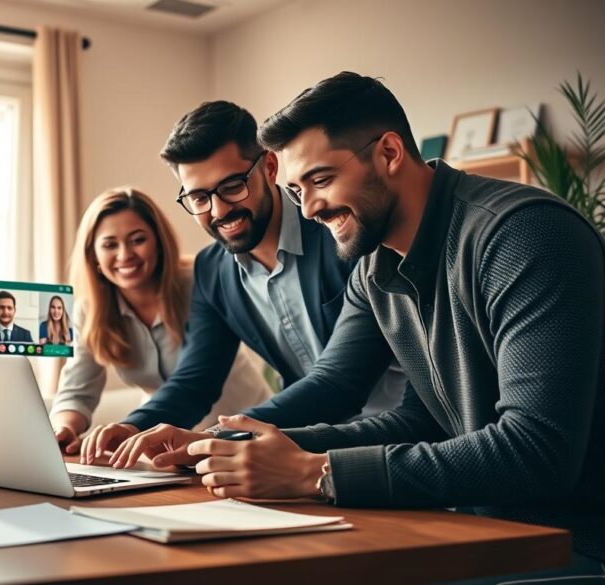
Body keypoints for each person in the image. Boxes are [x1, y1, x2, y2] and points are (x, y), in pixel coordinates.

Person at [118, 73, 605, 579]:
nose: (307, 208)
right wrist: (222, 443)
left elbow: (538, 448)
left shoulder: (525, 235)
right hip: (484, 528)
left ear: (390, 153)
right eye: (296, 188)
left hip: (571, 543)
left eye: (321, 179)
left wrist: (318, 474)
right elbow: (420, 419)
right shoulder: (378, 267)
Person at [80, 100, 407, 465]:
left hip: (399, 442)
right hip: (302, 449)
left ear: (268, 167)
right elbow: (195, 381)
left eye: (232, 186)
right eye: (199, 198)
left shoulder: (337, 231)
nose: (219, 211)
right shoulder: (212, 270)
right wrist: (133, 426)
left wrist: (216, 438)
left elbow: (341, 382)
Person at [0, 187, 271, 452]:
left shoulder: (200, 280)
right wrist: (63, 428)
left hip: (240, 432)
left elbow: (193, 383)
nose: (124, 255)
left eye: (137, 239)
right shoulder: (91, 308)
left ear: (159, 241)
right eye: (109, 244)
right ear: (93, 256)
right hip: (162, 445)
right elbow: (78, 389)